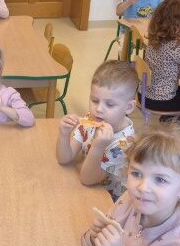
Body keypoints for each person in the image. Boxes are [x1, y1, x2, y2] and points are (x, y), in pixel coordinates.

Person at [56, 60, 138, 200]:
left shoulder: (126, 144)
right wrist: (64, 134)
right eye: (94, 100)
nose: (99, 109)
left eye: (109, 104)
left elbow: (87, 180)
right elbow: (64, 158)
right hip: (84, 192)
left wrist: (98, 147)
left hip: (108, 199)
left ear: (129, 107)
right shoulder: (91, 119)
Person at [142, 0, 180, 118]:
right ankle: (172, 124)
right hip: (160, 100)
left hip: (144, 94)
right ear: (179, 25)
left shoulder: (154, 39)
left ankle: (169, 118)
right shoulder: (175, 47)